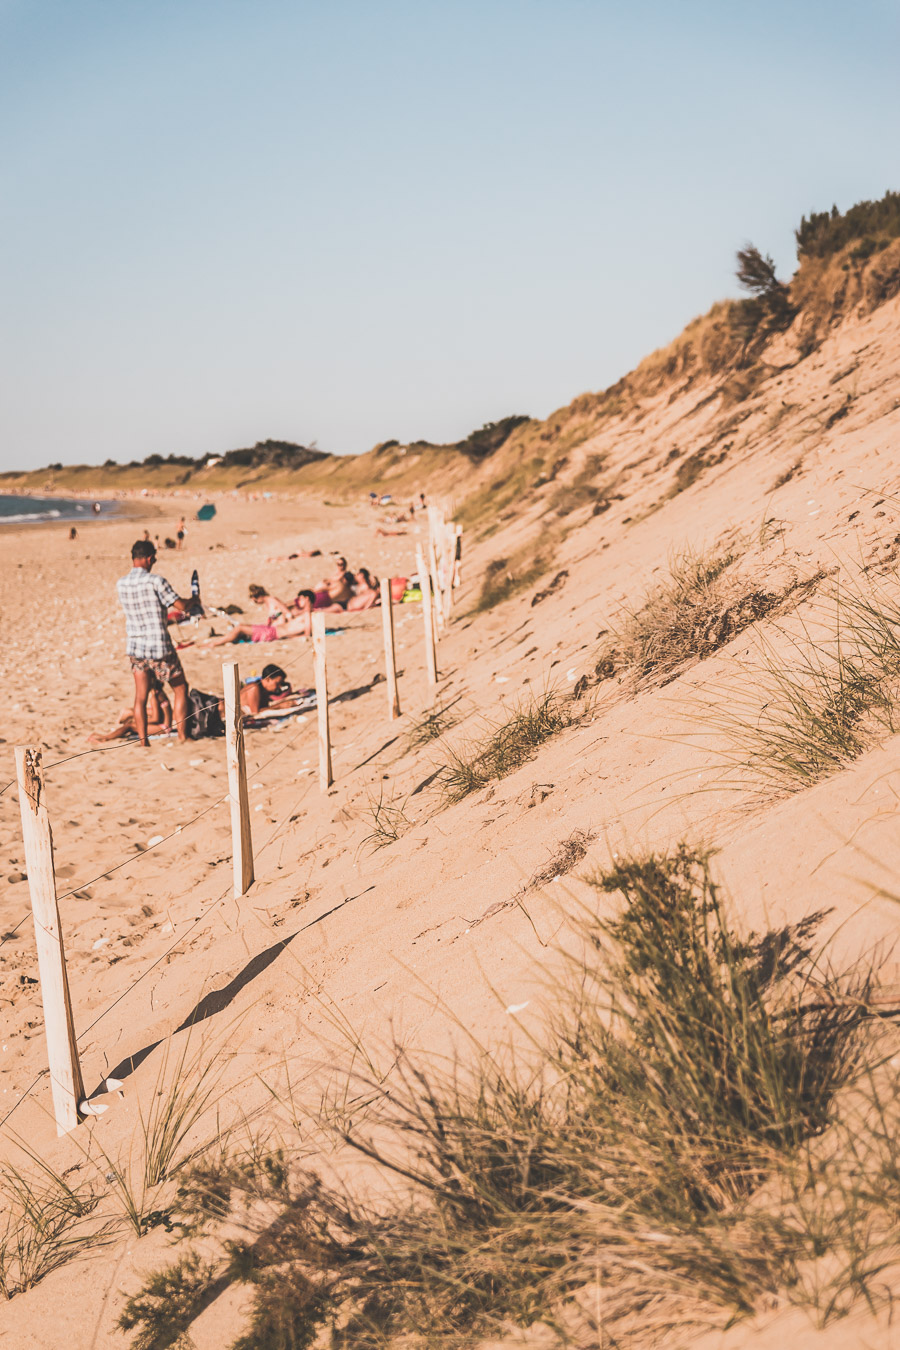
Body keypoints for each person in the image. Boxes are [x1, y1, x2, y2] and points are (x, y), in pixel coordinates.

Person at [116, 539, 192, 745]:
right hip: (159, 647)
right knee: (180, 688)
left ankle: (143, 741)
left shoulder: (121, 584)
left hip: (135, 647)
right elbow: (180, 605)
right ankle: (183, 736)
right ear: (149, 559)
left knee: (140, 696)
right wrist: (194, 600)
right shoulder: (156, 581)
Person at [89, 681, 173, 743]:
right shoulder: (160, 694)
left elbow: (156, 719)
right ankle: (108, 736)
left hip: (163, 728)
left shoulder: (154, 697)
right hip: (165, 726)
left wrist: (138, 721)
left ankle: (106, 738)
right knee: (131, 724)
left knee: (129, 726)